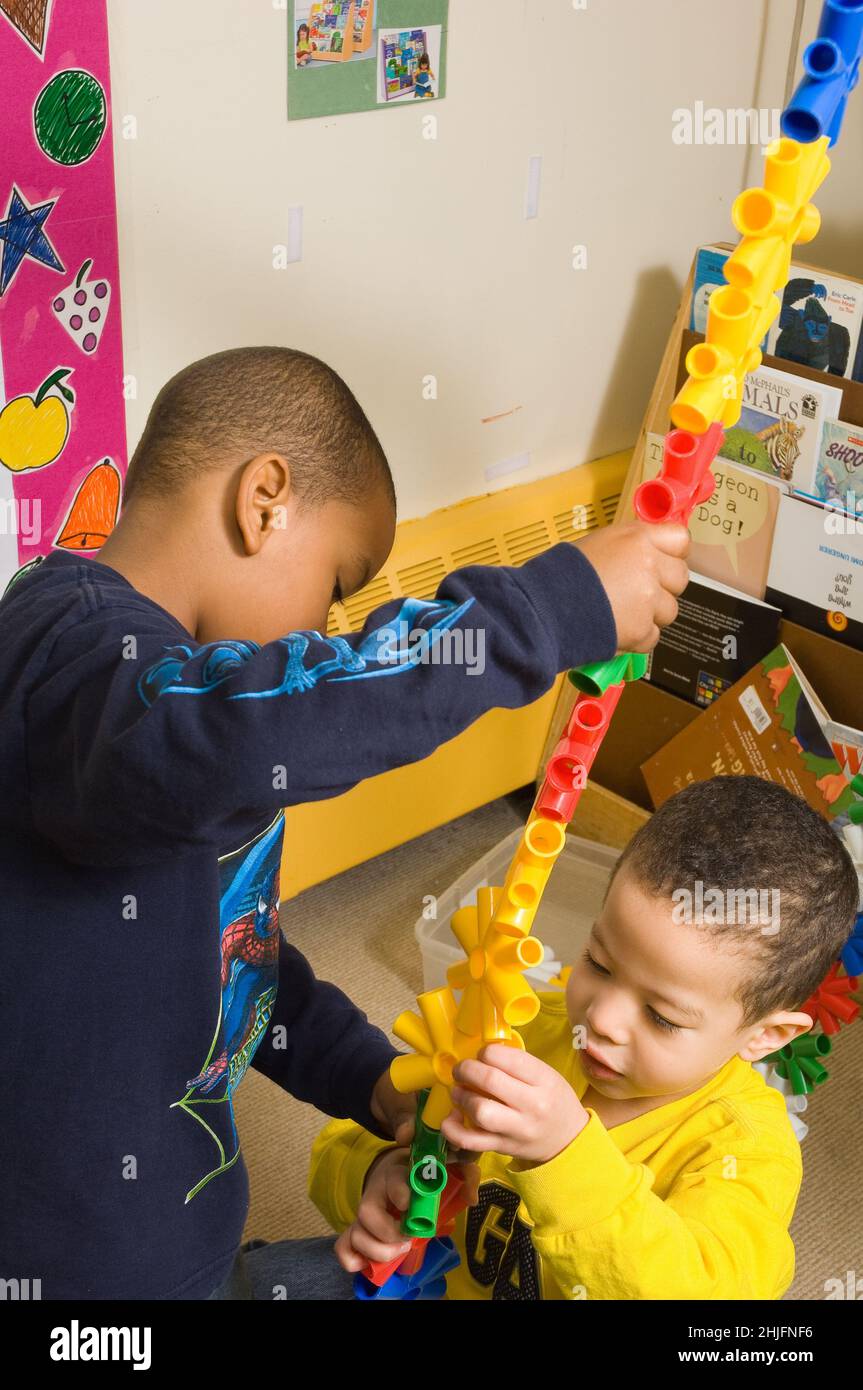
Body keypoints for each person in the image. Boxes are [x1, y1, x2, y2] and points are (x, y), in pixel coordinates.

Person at [0, 346, 688, 1299]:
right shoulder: (77, 659)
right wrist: (543, 611)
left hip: (173, 1226)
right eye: (335, 586)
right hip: (72, 1266)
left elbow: (233, 956)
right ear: (264, 500)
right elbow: (255, 722)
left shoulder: (171, 720)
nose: (324, 631)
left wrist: (374, 1082)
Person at [312, 776, 859, 1300]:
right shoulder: (521, 1029)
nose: (602, 1019)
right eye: (598, 962)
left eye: (663, 1016)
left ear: (765, 1036)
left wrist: (566, 1156)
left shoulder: (744, 1148)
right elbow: (338, 1147)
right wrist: (376, 1179)